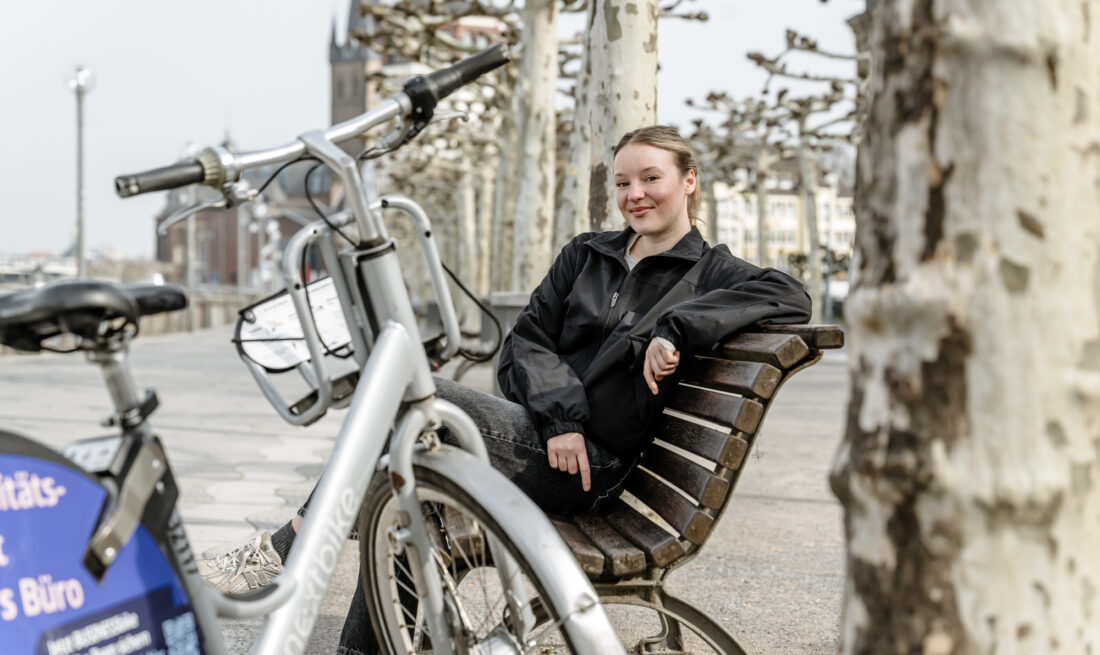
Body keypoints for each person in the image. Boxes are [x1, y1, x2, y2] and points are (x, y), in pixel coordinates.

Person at [198, 125, 812, 654]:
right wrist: (561, 417)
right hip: (546, 437)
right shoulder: (587, 254)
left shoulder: (712, 273)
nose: (635, 195)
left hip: (591, 469)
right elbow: (523, 343)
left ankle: (291, 546)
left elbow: (790, 295)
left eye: (650, 179)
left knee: (405, 395)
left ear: (689, 182)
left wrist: (677, 325)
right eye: (622, 183)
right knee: (408, 490)